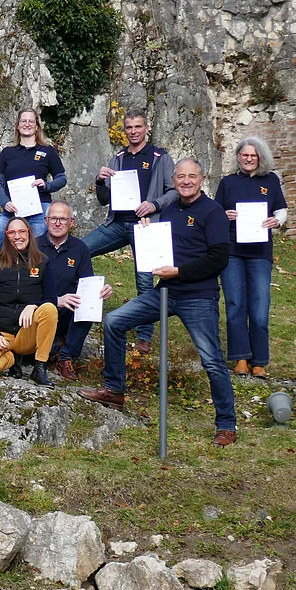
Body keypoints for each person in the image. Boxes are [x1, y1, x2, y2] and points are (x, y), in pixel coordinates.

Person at [78, 158, 239, 447]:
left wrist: (179, 272)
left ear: (202, 179)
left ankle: (226, 424)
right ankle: (114, 390)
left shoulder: (213, 212)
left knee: (212, 360)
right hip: (165, 292)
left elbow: (219, 259)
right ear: (174, 181)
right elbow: (163, 246)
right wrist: (149, 230)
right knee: (114, 322)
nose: (186, 181)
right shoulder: (171, 208)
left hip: (198, 297)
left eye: (192, 176)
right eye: (180, 177)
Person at [83, 108, 176, 355]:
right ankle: (86, 306)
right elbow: (104, 199)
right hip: (117, 223)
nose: (133, 131)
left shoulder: (160, 157)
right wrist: (100, 181)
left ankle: (144, 336)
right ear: (124, 131)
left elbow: (174, 191)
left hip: (145, 226)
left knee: (144, 281)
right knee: (80, 250)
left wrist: (154, 204)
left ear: (146, 128)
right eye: (129, 127)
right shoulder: (118, 158)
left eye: (138, 127)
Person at [214, 136, 288, 378]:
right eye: (244, 154)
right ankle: (240, 359)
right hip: (232, 250)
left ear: (260, 158)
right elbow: (215, 213)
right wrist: (225, 215)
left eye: (253, 155)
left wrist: (277, 220)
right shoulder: (227, 182)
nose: (248, 158)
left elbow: (281, 210)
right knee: (235, 304)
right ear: (238, 157)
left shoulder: (271, 181)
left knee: (259, 308)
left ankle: (260, 361)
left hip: (260, 253)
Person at [0, 109, 67, 285]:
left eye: (31, 121)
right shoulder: (7, 153)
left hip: (39, 212)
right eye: (23, 121)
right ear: (17, 126)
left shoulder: (47, 151)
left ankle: (37, 299)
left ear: (37, 126)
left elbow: (61, 178)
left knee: (36, 256)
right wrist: (5, 202)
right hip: (11, 213)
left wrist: (46, 185)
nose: (27, 124)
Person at [0, 217, 58, 387]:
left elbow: (51, 299)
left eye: (21, 231)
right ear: (6, 236)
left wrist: (33, 305)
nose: (17, 236)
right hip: (2, 333)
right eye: (11, 232)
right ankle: (12, 359)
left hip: (25, 333)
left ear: (29, 233)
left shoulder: (42, 262)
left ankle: (39, 368)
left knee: (49, 309)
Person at [37, 201, 113, 381]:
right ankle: (55, 346)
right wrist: (56, 300)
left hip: (66, 313)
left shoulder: (80, 249)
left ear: (72, 222)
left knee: (88, 303)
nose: (57, 223)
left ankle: (66, 357)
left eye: (63, 219)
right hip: (38, 312)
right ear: (46, 220)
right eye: (53, 218)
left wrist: (101, 291)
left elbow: (88, 284)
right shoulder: (33, 246)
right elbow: (24, 290)